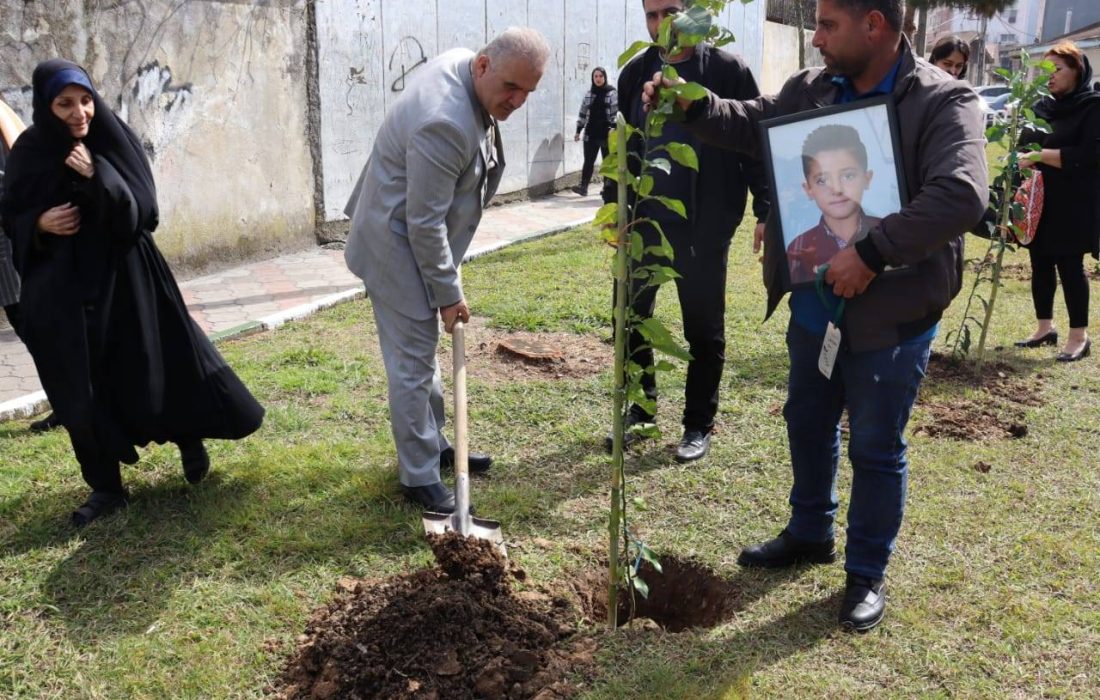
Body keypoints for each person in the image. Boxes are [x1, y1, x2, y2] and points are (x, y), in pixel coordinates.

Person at [645, 0, 987, 629]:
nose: (817, 38)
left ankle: (866, 572)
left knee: (876, 446)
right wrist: (692, 104)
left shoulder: (943, 101)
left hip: (892, 318)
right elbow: (754, 122)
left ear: (874, 25)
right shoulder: (812, 87)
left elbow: (960, 195)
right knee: (806, 420)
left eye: (828, 25)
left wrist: (872, 253)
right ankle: (809, 530)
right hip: (815, 308)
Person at [0, 60, 265, 527]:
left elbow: (144, 210)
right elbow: (11, 212)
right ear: (45, 106)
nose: (80, 113)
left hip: (126, 279)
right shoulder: (29, 151)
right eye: (65, 104)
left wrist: (97, 174)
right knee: (77, 386)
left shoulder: (111, 139)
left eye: (85, 100)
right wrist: (38, 223)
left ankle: (188, 436)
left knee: (154, 363)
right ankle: (106, 487)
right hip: (61, 291)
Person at [344, 28, 549, 513]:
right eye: (511, 88)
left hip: (408, 231)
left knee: (422, 356)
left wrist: (444, 287)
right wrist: (448, 293)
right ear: (483, 66)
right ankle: (419, 475)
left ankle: (434, 444)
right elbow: (424, 223)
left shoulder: (465, 64)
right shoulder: (446, 121)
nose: (518, 101)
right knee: (413, 365)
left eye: (528, 91)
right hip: (395, 245)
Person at [603, 0, 770, 463]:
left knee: (703, 329)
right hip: (644, 223)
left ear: (693, 12)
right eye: (652, 15)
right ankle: (641, 409)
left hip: (704, 226)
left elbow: (755, 141)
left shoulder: (728, 71)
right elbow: (621, 147)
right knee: (629, 318)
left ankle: (698, 423)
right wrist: (614, 209)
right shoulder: (636, 72)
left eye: (671, 12)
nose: (662, 25)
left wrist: (765, 209)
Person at [1013, 42, 1100, 362]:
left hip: (1075, 201)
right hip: (1039, 200)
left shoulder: (1092, 107)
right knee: (1039, 262)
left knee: (1070, 265)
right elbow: (1023, 148)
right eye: (1045, 70)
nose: (1049, 76)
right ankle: (1044, 328)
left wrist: (1039, 155)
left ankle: (1079, 337)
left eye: (1057, 70)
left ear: (1077, 71)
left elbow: (1089, 155)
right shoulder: (1042, 107)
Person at [787, 124, 881, 284]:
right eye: (822, 180)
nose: (837, 189)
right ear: (808, 189)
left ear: (867, 179)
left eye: (848, 176)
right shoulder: (798, 248)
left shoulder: (888, 234)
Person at [571, 67, 618, 196]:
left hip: (606, 133)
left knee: (607, 162)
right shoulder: (589, 94)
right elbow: (583, 112)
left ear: (605, 77)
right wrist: (578, 131)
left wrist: (613, 128)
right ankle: (583, 187)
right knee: (588, 161)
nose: (598, 79)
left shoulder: (612, 93)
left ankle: (607, 189)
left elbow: (615, 112)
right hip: (591, 132)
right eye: (595, 76)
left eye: (600, 76)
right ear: (593, 78)